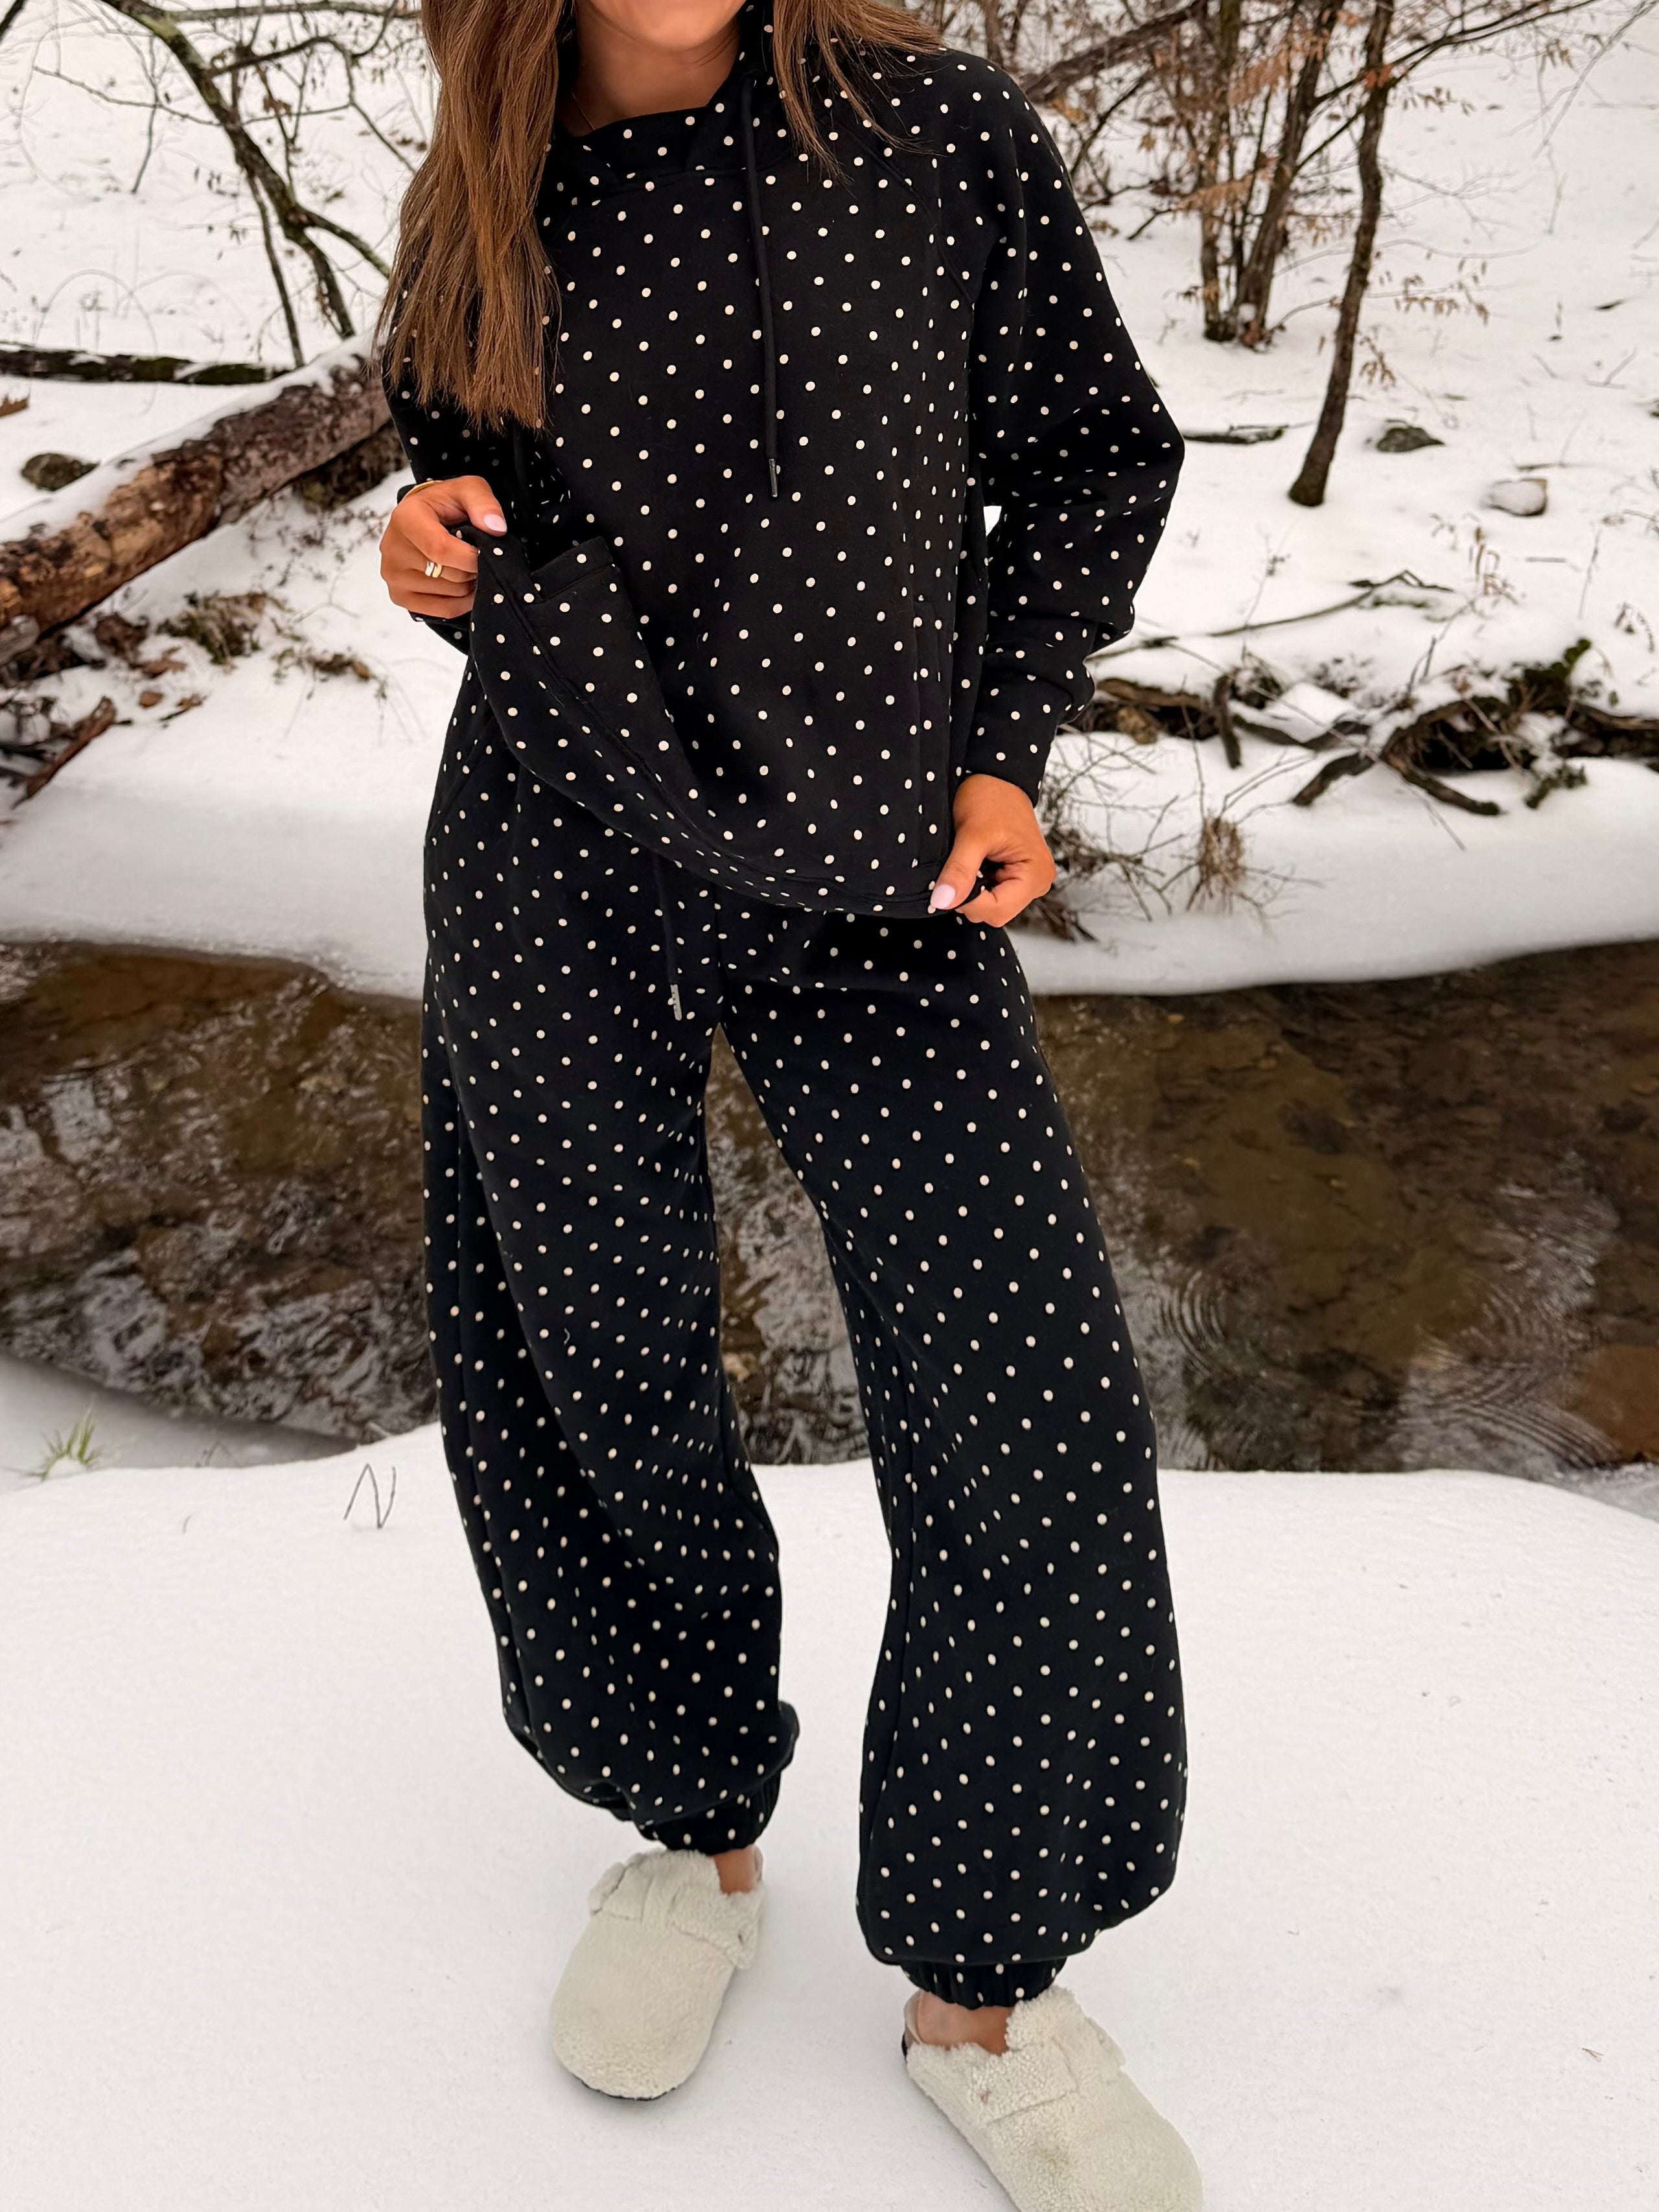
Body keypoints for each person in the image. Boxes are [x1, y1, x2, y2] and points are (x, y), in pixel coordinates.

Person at [376, 0, 1198, 2202]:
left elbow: (1095, 449)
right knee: (590, 1354)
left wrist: (1007, 741)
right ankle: (691, 1838)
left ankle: (985, 1987)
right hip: (557, 836)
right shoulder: (483, 170)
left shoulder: (925, 129)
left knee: (1020, 1400)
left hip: (876, 863)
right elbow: (457, 476)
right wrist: (427, 539)